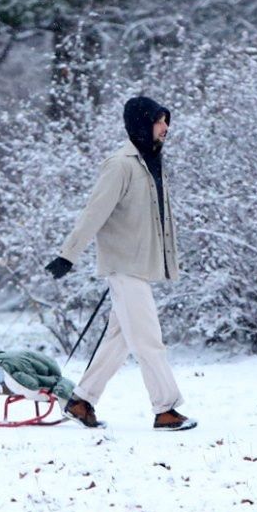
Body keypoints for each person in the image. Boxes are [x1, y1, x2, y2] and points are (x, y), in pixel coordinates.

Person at [45, 96, 197, 431]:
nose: (165, 127)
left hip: (140, 265)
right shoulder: (120, 165)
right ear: (142, 123)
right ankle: (166, 408)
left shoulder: (152, 163)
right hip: (124, 266)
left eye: (166, 121)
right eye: (159, 121)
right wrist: (68, 254)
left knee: (120, 338)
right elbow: (94, 213)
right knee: (148, 339)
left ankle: (82, 401)